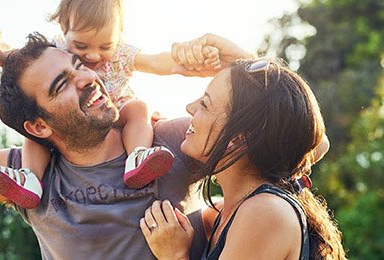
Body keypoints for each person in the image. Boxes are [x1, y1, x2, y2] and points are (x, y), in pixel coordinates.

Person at [0, 20, 241, 259]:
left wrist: (242, 62)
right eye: (62, 84)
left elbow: (280, 134)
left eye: (79, 65)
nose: (88, 78)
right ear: (39, 127)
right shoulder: (30, 177)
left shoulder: (167, 143)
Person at [0, 0, 221, 209]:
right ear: (64, 29)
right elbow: (20, 61)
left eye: (105, 45)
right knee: (37, 133)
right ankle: (30, 178)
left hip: (116, 111)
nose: (93, 56)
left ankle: (138, 156)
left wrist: (182, 63)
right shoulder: (57, 51)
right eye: (81, 46)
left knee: (138, 109)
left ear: (119, 34)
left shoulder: (121, 54)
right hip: (74, 121)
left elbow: (155, 61)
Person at [139, 36, 345, 259]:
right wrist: (246, 67)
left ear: (237, 139)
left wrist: (176, 255)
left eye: (205, 104)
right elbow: (307, 140)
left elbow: (311, 140)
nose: (190, 107)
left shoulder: (265, 213)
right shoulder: (227, 212)